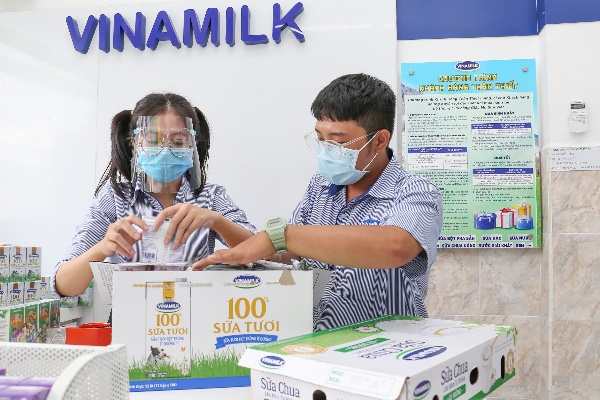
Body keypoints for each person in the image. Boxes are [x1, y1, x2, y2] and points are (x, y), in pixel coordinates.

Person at [193, 74, 443, 331]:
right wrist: (221, 226)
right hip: (317, 341)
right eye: (320, 139)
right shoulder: (321, 186)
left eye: (338, 142)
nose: (326, 151)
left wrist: (281, 235)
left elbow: (395, 247)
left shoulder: (416, 191)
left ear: (380, 140)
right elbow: (287, 253)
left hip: (387, 344)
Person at [51, 93, 256, 299]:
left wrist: (216, 221)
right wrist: (102, 248)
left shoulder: (211, 197)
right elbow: (64, 285)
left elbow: (263, 251)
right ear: (134, 142)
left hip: (194, 313)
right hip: (131, 315)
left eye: (178, 142)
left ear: (192, 145)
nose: (165, 150)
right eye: (152, 140)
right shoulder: (114, 198)